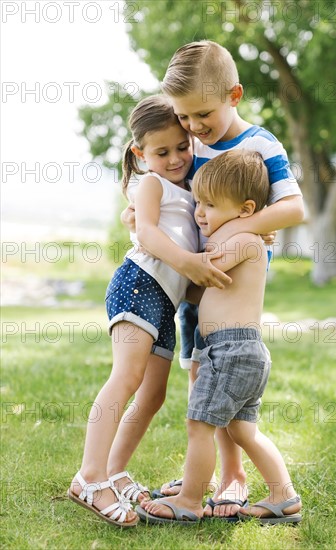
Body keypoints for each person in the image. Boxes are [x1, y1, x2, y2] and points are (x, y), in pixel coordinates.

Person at [121, 40, 304, 518]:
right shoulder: (193, 147)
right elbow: (178, 198)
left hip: (231, 289)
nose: (193, 128)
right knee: (202, 384)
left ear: (234, 95)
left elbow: (293, 207)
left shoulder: (259, 145)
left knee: (212, 401)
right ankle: (208, 474)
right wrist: (138, 215)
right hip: (193, 291)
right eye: (184, 117)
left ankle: (230, 479)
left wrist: (238, 230)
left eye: (202, 114)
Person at [67, 95, 227, 527]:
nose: (174, 157)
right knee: (126, 377)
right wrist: (189, 263)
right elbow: (150, 236)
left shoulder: (190, 188)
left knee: (153, 396)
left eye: (181, 146)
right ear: (141, 153)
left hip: (166, 301)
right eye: (161, 151)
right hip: (138, 286)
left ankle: (115, 471)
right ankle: (89, 477)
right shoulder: (150, 185)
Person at [137, 150, 302, 525]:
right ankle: (283, 495)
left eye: (209, 204)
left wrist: (159, 244)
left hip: (231, 350)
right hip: (235, 351)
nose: (199, 212)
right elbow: (204, 288)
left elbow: (202, 270)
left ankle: (190, 500)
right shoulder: (244, 238)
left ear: (246, 209)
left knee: (199, 426)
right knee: (243, 430)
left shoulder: (245, 239)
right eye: (197, 202)